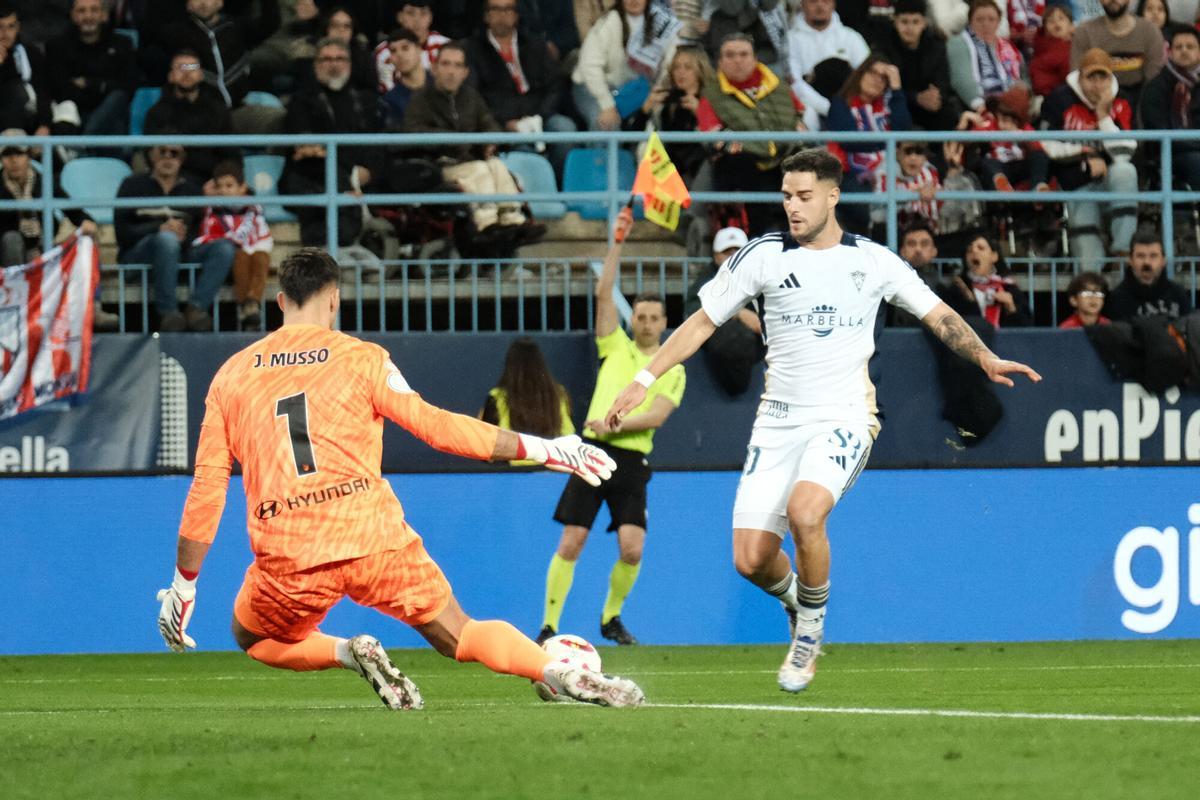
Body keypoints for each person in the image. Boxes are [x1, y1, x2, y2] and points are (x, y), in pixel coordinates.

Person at [604, 148, 1041, 692]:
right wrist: (643, 379)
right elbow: (700, 323)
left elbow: (939, 314)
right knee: (750, 560)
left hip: (846, 415)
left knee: (806, 513)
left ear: (833, 196)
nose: (793, 206)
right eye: (787, 196)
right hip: (777, 422)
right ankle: (797, 601)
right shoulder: (762, 255)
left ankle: (809, 632)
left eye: (805, 196)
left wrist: (985, 357)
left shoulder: (874, 261)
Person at [154, 247, 645, 710]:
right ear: (334, 300)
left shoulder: (232, 376)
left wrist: (184, 585)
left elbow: (208, 487)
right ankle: (554, 671)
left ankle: (348, 652)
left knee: (254, 637)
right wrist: (546, 448)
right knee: (462, 632)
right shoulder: (363, 358)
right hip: (374, 540)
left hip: (291, 553)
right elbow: (436, 427)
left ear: (281, 301)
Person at [539, 208, 686, 647]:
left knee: (632, 548)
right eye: (640, 316)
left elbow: (656, 417)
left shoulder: (672, 367)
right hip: (592, 454)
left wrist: (611, 424)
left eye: (654, 318)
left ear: (664, 323)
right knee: (572, 541)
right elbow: (604, 294)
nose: (646, 323)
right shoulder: (615, 346)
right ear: (632, 319)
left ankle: (611, 617)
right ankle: (548, 625)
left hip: (631, 460)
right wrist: (617, 241)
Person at [404, 43, 545, 245]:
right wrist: (454, 139)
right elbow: (413, 131)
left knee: (496, 165)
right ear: (434, 68)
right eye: (445, 64)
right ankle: (487, 224)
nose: (451, 71)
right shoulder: (420, 99)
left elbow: (490, 124)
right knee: (479, 169)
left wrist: (490, 141)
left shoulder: (471, 97)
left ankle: (513, 219)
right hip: (439, 165)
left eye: (457, 65)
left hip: (470, 160)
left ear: (465, 72)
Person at [115, 144, 237, 332]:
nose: (168, 158)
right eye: (162, 152)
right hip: (138, 256)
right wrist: (158, 229)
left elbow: (200, 233)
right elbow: (122, 233)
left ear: (182, 158)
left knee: (224, 248)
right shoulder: (132, 185)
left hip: (181, 253)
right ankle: (168, 313)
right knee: (166, 240)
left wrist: (183, 236)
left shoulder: (193, 190)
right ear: (151, 155)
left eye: (174, 153)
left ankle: (197, 308)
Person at [697, 32, 807, 237]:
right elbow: (713, 136)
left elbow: (799, 119)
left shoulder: (780, 87)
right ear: (720, 62)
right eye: (730, 55)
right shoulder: (710, 95)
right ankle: (752, 239)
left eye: (743, 54)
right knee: (739, 165)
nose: (737, 60)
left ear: (755, 58)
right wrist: (759, 147)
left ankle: (806, 239)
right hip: (742, 164)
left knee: (808, 164)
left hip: (784, 158)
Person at [1040, 47, 1138, 270]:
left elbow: (1125, 153)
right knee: (1088, 260)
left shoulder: (1122, 100)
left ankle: (1123, 250)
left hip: (1111, 180)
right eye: (1091, 77)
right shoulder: (1059, 99)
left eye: (1103, 77)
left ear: (1111, 78)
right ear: (1080, 77)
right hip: (1076, 180)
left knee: (1125, 170)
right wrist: (1086, 156)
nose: (1097, 84)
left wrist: (1103, 116)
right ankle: (1091, 280)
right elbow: (1045, 145)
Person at [281, 37, 384, 248]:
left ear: (349, 64)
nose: (334, 64)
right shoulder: (300, 101)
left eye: (340, 59)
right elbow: (306, 151)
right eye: (326, 59)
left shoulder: (366, 100)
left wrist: (369, 172)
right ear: (315, 65)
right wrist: (350, 172)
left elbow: (378, 145)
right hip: (313, 178)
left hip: (362, 178)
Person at [464, 0, 577, 175]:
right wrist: (505, 122)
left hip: (539, 115)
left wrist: (541, 115)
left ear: (516, 15)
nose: (502, 15)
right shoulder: (473, 49)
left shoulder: (535, 44)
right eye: (496, 9)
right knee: (525, 151)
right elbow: (474, 95)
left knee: (565, 129)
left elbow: (555, 85)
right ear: (486, 16)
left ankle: (556, 182)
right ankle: (537, 187)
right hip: (503, 122)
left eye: (508, 9)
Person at [825, 54, 912, 235]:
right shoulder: (840, 104)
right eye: (872, 72)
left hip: (891, 171)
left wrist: (897, 89)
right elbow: (850, 141)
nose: (877, 80)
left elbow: (903, 130)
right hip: (851, 175)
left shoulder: (888, 105)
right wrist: (888, 141)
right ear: (860, 74)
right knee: (873, 210)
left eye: (884, 78)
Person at [572, 0, 681, 131]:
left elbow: (670, 60)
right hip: (594, 89)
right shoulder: (609, 21)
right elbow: (589, 65)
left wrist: (656, 92)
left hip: (639, 89)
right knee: (607, 123)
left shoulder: (660, 22)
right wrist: (607, 105)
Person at [193, 160, 274, 331]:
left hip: (254, 252)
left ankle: (252, 303)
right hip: (227, 261)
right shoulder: (212, 209)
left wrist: (252, 248)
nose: (223, 190)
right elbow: (210, 236)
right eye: (219, 186)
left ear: (242, 187)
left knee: (261, 257)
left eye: (229, 185)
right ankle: (244, 307)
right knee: (240, 256)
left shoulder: (254, 208)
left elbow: (262, 235)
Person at [683, 225, 764, 394]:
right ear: (716, 256)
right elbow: (693, 308)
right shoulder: (706, 280)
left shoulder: (761, 278)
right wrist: (738, 313)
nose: (733, 257)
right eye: (727, 252)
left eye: (738, 252)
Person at [144, 49, 237, 186]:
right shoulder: (156, 113)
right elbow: (151, 155)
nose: (187, 73)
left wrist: (218, 182)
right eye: (181, 67)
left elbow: (231, 153)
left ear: (201, 75)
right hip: (172, 182)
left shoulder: (218, 110)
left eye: (192, 67)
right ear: (171, 75)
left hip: (212, 183)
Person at [620, 46, 713, 185]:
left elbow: (718, 139)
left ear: (700, 70)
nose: (681, 72)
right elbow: (627, 139)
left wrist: (700, 113)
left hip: (697, 167)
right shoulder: (664, 102)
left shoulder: (712, 100)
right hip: (667, 170)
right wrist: (645, 109)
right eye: (676, 67)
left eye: (688, 67)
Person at [44, 0, 136, 138]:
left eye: (94, 10)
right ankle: (86, 141)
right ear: (73, 15)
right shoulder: (57, 46)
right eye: (81, 11)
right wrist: (103, 87)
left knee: (117, 98)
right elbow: (60, 89)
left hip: (112, 117)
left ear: (104, 15)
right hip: (75, 116)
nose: (88, 16)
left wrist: (90, 84)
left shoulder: (122, 44)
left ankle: (85, 141)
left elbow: (129, 87)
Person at [480, 337, 575, 461]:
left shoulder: (497, 397)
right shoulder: (559, 394)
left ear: (509, 366)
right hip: (552, 466)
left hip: (510, 469)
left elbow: (486, 447)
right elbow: (569, 437)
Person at [874, 0, 960, 131]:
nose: (910, 28)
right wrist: (916, 98)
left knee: (949, 116)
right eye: (904, 22)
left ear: (924, 23)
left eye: (915, 22)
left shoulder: (936, 47)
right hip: (897, 105)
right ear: (895, 21)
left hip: (930, 106)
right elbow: (884, 88)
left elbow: (943, 82)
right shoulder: (883, 48)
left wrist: (935, 96)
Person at [787, 0, 870, 126]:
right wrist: (829, 109)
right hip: (808, 104)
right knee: (807, 114)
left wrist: (843, 107)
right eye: (813, 1)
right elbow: (794, 82)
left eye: (826, 1)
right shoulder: (790, 39)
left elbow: (867, 75)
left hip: (847, 104)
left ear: (834, 4)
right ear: (802, 4)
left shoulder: (851, 37)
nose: (820, 5)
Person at [1139, 27, 1200, 189]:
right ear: (1170, 53)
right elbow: (1156, 128)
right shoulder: (1156, 87)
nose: (1184, 51)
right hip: (1168, 153)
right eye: (1178, 47)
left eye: (1190, 46)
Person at [1070, 0, 1164, 104]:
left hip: (1141, 101)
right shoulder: (1084, 33)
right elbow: (1076, 77)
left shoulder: (1150, 32)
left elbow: (1154, 81)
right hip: (1095, 100)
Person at [946, 0, 1027, 113]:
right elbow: (962, 80)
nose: (985, 24)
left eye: (991, 19)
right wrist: (980, 106)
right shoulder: (959, 43)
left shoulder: (1008, 47)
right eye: (979, 19)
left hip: (1012, 104)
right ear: (970, 22)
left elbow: (1024, 79)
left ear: (998, 22)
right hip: (980, 106)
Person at [1104, 232, 1194, 319]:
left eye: (1153, 256)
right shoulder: (1117, 299)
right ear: (1130, 260)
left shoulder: (1178, 294)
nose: (1147, 262)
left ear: (1163, 261)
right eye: (1140, 256)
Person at [957, 233, 1030, 327]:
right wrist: (970, 303)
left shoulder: (1009, 288)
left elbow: (1027, 328)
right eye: (969, 250)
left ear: (994, 256)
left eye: (981, 248)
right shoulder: (958, 289)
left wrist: (1011, 307)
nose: (974, 251)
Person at [374, 0, 449, 91]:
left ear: (430, 17)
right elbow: (389, 93)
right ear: (400, 17)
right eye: (410, 13)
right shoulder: (385, 53)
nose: (417, 20)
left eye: (423, 13)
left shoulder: (446, 47)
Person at [0, 3, 50, 135]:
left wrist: (44, 124)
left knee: (67, 108)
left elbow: (43, 90)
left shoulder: (32, 53)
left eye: (11, 26)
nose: (5, 33)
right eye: (0, 27)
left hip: (32, 116)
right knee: (16, 89)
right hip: (5, 120)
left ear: (18, 27)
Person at [379, 27, 430, 131]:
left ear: (419, 49)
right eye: (393, 51)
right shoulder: (390, 101)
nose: (399, 55)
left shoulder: (442, 87)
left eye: (405, 48)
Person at [1030, 3, 1074, 97]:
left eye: (1061, 18)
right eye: (1051, 21)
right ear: (1045, 30)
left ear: (1072, 26)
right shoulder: (1041, 50)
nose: (1056, 23)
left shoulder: (1078, 46)